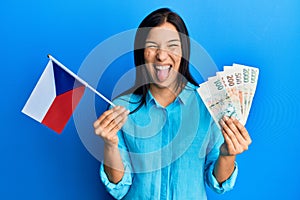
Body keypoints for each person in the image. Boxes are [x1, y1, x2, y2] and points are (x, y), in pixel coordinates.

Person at [93, 8, 251, 200]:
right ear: (141, 52)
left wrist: (227, 154)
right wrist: (110, 145)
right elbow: (119, 187)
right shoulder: (121, 108)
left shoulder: (208, 104)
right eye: (152, 45)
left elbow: (217, 183)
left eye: (172, 46)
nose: (162, 55)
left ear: (184, 52)